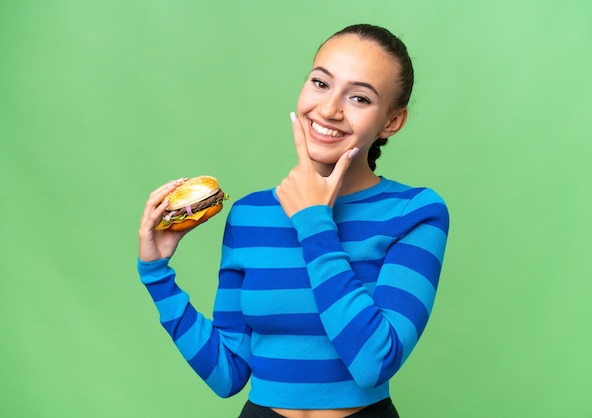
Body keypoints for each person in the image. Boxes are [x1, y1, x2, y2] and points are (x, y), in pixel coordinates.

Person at [138, 24, 449, 418]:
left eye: (359, 97)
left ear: (392, 122)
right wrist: (156, 273)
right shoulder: (250, 215)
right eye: (321, 83)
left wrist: (314, 221)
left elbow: (373, 363)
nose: (329, 109)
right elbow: (227, 374)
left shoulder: (415, 212)